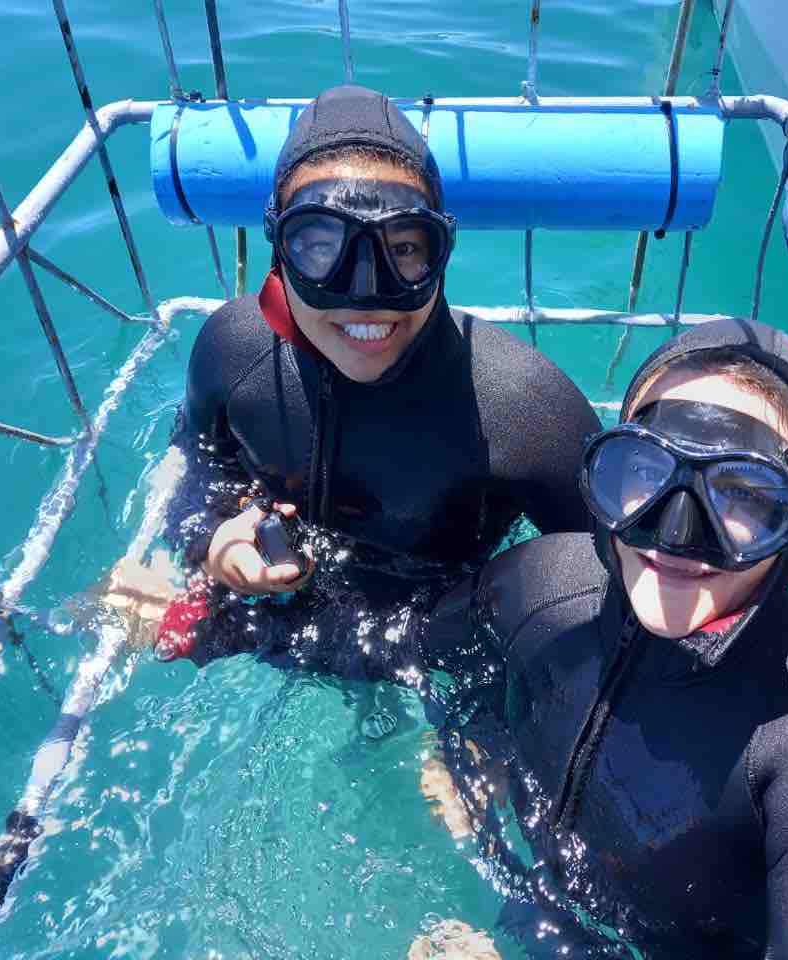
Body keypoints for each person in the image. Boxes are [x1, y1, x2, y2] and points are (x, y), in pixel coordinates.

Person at [424, 317, 788, 958]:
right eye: (644, 469)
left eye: (744, 495)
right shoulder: (541, 582)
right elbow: (417, 652)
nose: (675, 533)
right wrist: (468, 742)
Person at [160, 85, 600, 674]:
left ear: (442, 250)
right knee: (111, 607)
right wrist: (211, 539)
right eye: (321, 247)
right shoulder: (231, 350)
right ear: (278, 247)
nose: (366, 294)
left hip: (434, 656)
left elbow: (613, 596)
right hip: (266, 604)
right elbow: (195, 462)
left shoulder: (524, 411)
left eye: (405, 249)